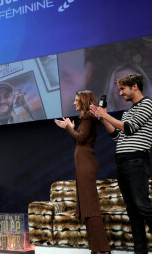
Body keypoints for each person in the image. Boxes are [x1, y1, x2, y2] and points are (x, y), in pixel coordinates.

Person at [90, 74, 152, 254]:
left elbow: (129, 128)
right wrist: (103, 118)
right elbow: (117, 136)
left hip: (136, 161)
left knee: (142, 205)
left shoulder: (147, 104)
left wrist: (106, 115)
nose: (120, 92)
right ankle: (140, 251)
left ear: (135, 87)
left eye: (123, 88)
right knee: (133, 210)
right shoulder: (127, 112)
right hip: (123, 162)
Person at [54, 90, 111, 254]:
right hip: (83, 164)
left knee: (90, 207)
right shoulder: (86, 119)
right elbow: (80, 138)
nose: (74, 103)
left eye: (76, 100)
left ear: (84, 101)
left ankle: (103, 248)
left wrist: (67, 128)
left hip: (86, 164)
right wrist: (71, 128)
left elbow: (80, 139)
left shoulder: (88, 118)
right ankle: (96, 248)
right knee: (87, 207)